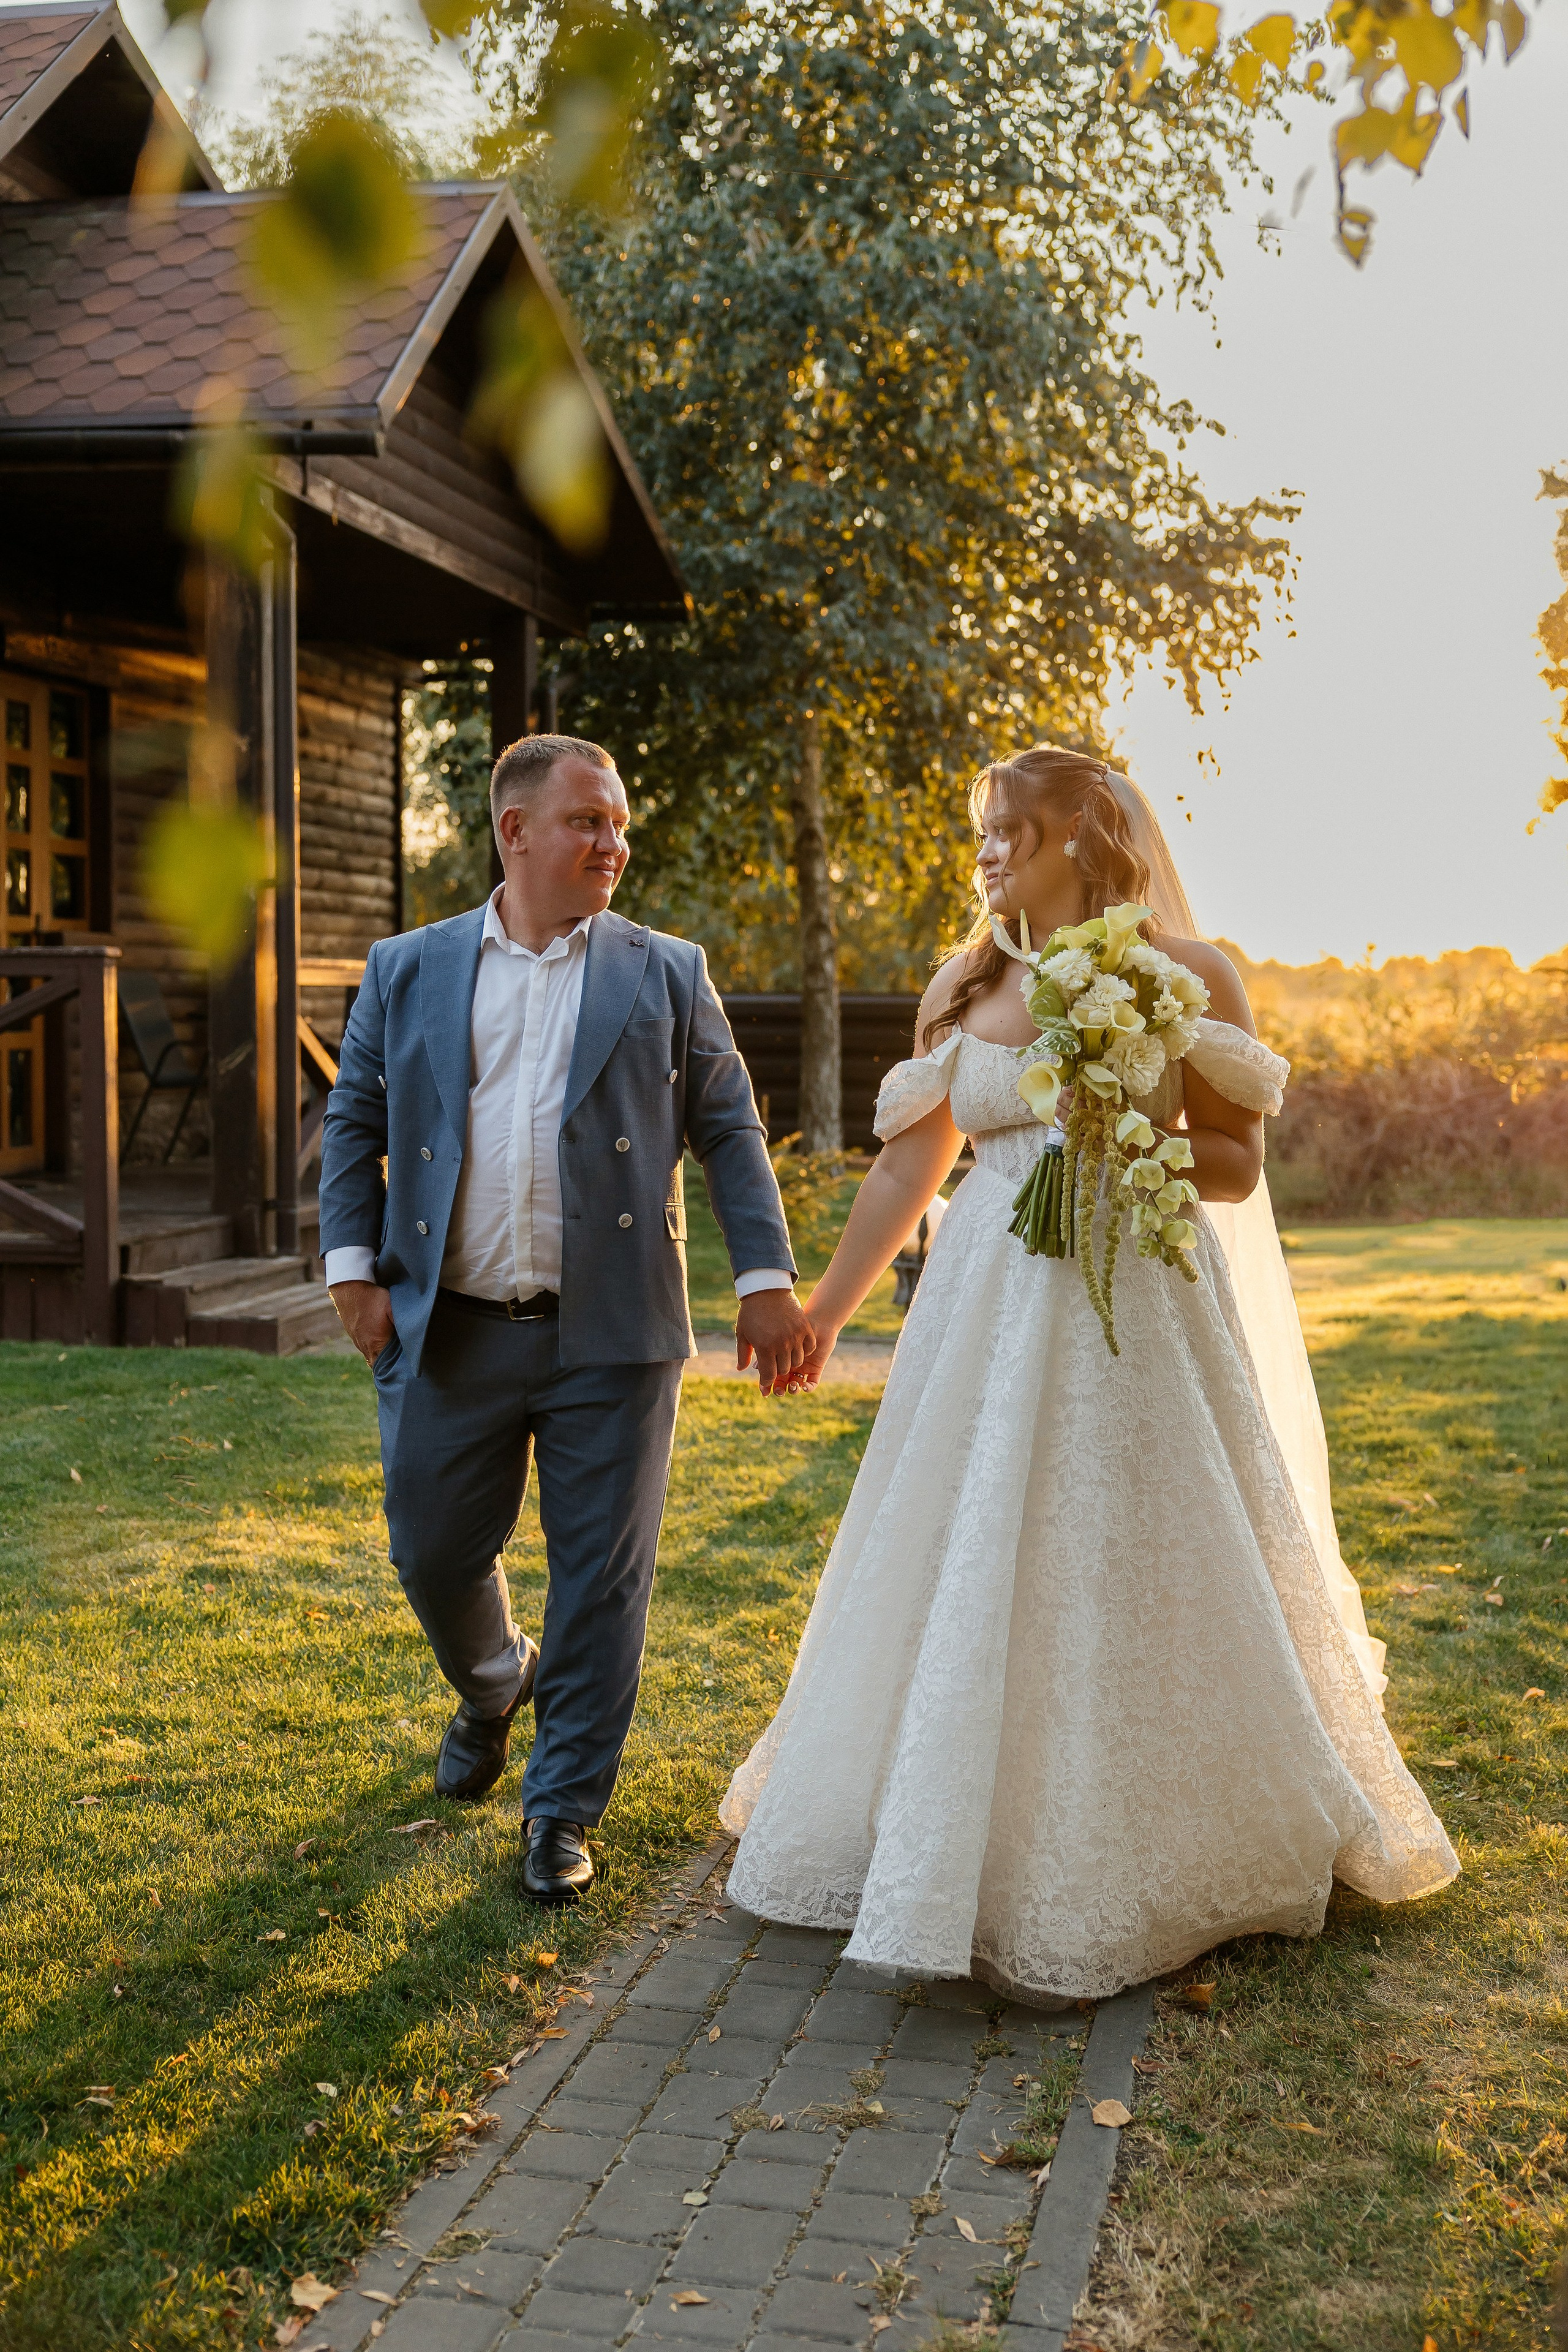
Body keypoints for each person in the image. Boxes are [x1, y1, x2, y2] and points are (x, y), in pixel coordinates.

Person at [722, 745, 1458, 2000]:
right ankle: (950, 1834)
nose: (987, 851)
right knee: (970, 1550)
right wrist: (823, 1314)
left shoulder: (1192, 974)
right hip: (982, 1313)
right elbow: (911, 1170)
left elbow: (1232, 1163)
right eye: (981, 833)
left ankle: (1165, 1832)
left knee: (1133, 1546)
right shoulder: (965, 983)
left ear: (1085, 830)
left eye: (1009, 827)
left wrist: (1131, 1140)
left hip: (1139, 1307)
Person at [320, 734, 813, 1905]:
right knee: (432, 1547)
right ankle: (496, 1683)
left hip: (616, 1332)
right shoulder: (409, 966)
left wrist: (764, 1279)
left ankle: (561, 1809)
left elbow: (731, 1130)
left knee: (600, 1577)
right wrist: (353, 1266)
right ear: (516, 831)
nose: (614, 843)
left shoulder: (665, 969)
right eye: (590, 821)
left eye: (620, 823)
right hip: (452, 1322)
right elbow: (355, 1116)